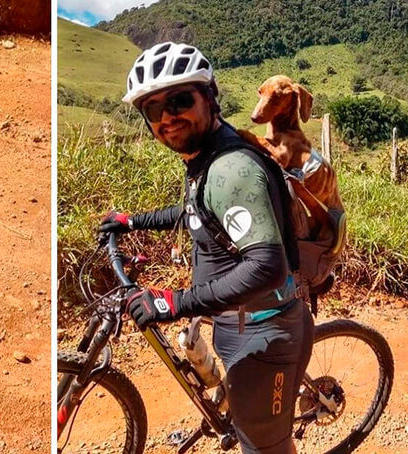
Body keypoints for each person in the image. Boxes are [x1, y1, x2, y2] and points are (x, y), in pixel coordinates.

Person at [98, 42, 315, 454]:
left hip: (264, 335)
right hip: (237, 325)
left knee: (265, 447)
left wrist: (174, 302)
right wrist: (133, 221)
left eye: (180, 100)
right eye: (152, 109)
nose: (167, 117)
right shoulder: (206, 156)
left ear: (210, 97)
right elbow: (196, 211)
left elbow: (267, 266)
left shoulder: (231, 169)